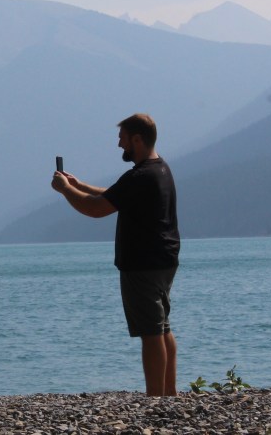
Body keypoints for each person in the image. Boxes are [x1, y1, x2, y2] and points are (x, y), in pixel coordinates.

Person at [51, 113, 180, 396]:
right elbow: (112, 195)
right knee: (162, 327)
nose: (119, 144)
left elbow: (96, 209)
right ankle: (169, 394)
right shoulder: (160, 169)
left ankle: (155, 398)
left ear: (137, 139)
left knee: (150, 332)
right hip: (164, 260)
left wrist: (65, 190)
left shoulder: (140, 175)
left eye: (122, 139)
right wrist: (78, 185)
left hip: (142, 265)